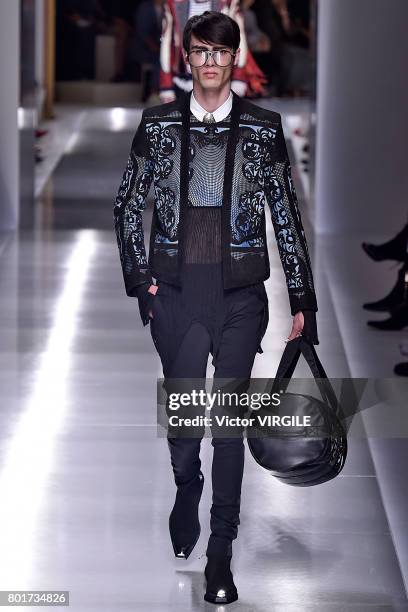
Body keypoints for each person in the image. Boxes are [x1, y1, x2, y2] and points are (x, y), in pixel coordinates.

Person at [113, 10, 318, 605]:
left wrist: (302, 300)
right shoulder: (157, 127)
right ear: (187, 57)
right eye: (200, 51)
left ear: (235, 61)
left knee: (225, 427)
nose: (209, 62)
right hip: (174, 294)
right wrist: (141, 280)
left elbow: (286, 218)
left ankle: (222, 554)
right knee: (185, 425)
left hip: (240, 297)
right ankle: (186, 485)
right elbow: (128, 205)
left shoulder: (263, 129)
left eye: (220, 53)